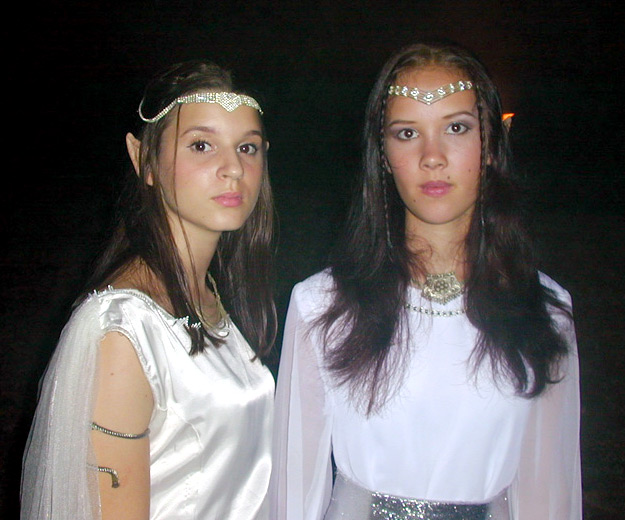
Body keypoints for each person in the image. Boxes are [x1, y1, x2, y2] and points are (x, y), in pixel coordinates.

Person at [270, 41, 581, 519]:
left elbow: (548, 498)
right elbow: (293, 498)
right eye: (407, 133)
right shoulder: (322, 307)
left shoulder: (544, 312)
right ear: (382, 153)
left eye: (456, 128)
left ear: (490, 145)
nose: (432, 156)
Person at [21, 60, 277, 520]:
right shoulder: (123, 332)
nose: (233, 169)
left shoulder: (208, 291)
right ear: (145, 160)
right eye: (201, 145)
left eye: (247, 147)